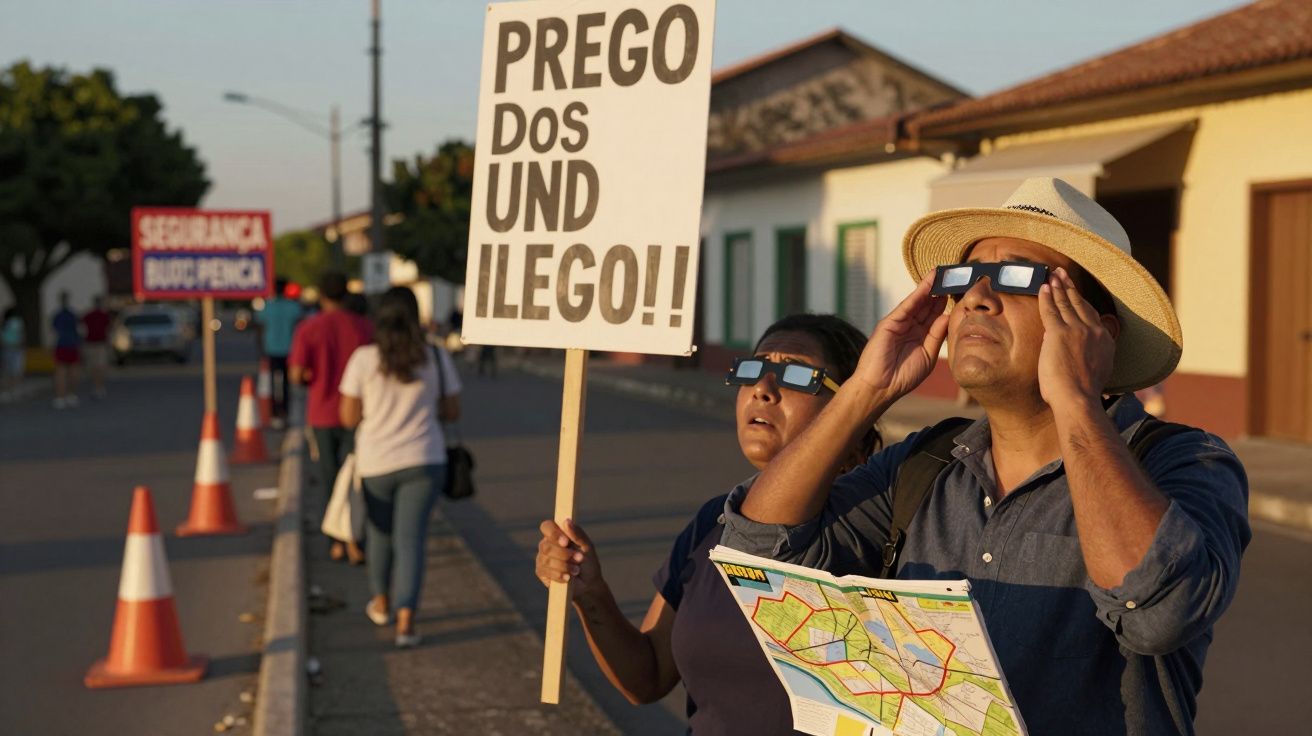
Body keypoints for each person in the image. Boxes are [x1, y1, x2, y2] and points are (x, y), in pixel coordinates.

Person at [722, 178, 1250, 734]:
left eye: (1016, 278)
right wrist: (866, 390)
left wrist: (1076, 398)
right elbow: (756, 551)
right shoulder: (924, 465)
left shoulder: (1183, 463)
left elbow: (1159, 614)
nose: (976, 298)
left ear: (1098, 332)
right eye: (964, 279)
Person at [535, 314, 880, 733]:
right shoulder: (712, 521)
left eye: (796, 374)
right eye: (752, 370)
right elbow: (648, 676)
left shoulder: (879, 528)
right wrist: (590, 593)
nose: (763, 389)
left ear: (853, 401)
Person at [339, 286, 462, 648]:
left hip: (376, 462)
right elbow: (452, 411)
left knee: (380, 535)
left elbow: (348, 417)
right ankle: (406, 621)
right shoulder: (435, 355)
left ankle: (381, 603)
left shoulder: (364, 359)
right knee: (411, 540)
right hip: (425, 459)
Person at [289, 272, 373, 562]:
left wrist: (314, 375)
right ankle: (355, 540)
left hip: (322, 414)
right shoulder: (364, 327)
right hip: (359, 414)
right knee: (356, 479)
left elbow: (296, 375)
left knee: (331, 479)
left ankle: (335, 542)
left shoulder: (309, 328)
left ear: (321, 295)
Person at [255, 278, 304, 429]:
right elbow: (300, 327)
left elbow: (260, 327)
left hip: (272, 349)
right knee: (287, 384)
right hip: (290, 350)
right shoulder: (294, 307)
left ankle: (275, 413)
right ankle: (285, 413)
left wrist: (261, 348)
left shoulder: (267, 307)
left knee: (272, 383)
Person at [51, 292, 81, 409]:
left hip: (62, 344)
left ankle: (60, 396)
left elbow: (54, 329)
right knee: (73, 371)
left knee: (61, 372)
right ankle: (71, 394)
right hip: (72, 344)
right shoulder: (73, 315)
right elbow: (78, 329)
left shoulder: (57, 315)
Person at [81, 296, 112, 399]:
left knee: (96, 366)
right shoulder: (101, 315)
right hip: (96, 343)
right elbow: (108, 330)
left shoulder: (93, 315)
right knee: (98, 366)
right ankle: (99, 386)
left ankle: (98, 386)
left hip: (95, 343)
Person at [1, 306, 25, 401]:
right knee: (17, 371)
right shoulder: (18, 322)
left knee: (7, 371)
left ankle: (6, 391)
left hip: (7, 348)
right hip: (17, 348)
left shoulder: (4, 323)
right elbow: (21, 335)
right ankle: (15, 390)